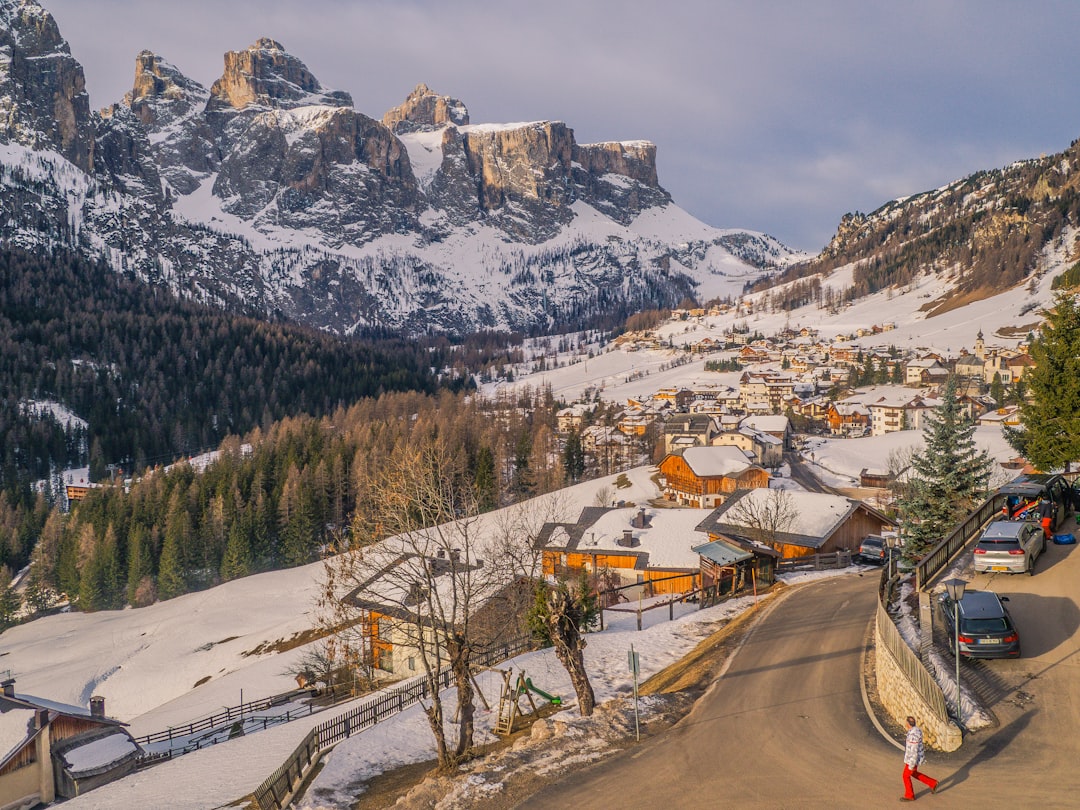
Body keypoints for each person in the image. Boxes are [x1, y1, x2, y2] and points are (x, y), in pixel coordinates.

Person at [901, 715, 938, 801]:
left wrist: (911, 764)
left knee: (905, 776)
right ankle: (933, 783)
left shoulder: (913, 736)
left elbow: (913, 751)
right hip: (915, 759)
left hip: (912, 760)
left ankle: (909, 795)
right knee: (913, 773)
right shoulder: (916, 731)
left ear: (908, 724)